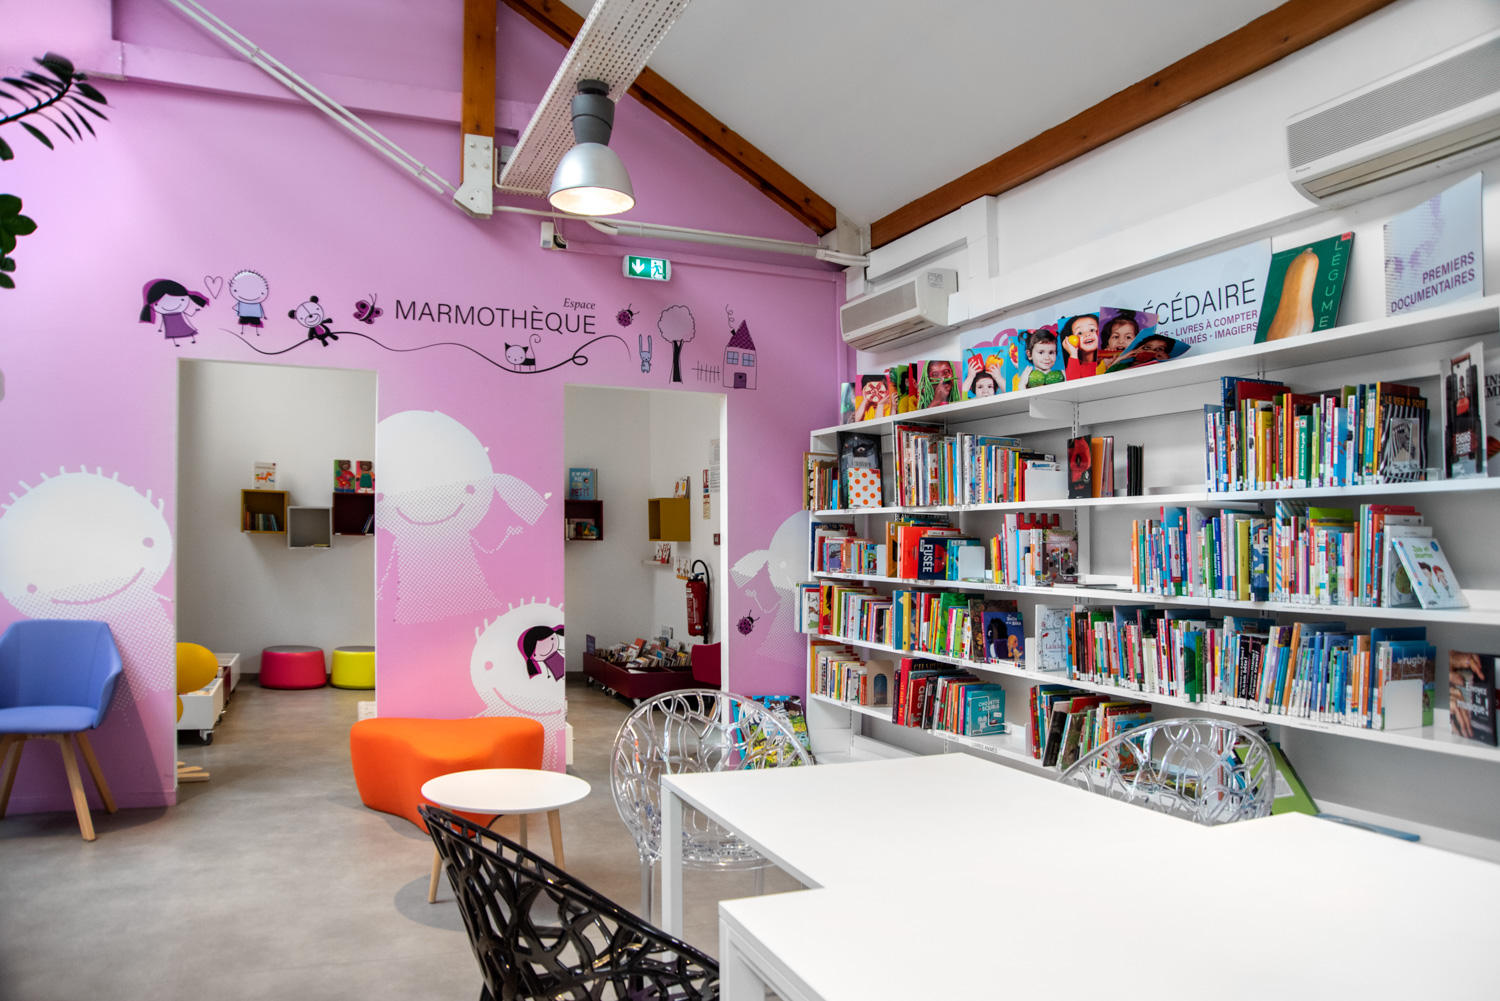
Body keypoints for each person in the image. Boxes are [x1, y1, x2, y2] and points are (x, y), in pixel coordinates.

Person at [139, 279, 208, 346]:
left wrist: (195, 311)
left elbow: (189, 315)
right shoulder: (165, 316)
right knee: (173, 332)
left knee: (185, 330)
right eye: (157, 304)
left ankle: (190, 339)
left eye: (182, 299)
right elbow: (162, 322)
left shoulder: (178, 312)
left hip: (181, 324)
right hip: (170, 326)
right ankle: (177, 342)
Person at [1060, 314, 1101, 380]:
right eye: (1080, 333)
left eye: (1092, 330)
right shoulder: (1073, 366)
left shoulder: (1108, 361)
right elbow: (1072, 383)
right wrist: (1073, 354)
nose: (1087, 334)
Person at [1109, 333, 1176, 370]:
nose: (1151, 351)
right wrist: (1122, 357)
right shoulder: (1119, 365)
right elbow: (1107, 376)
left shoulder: (1155, 368)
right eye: (1147, 347)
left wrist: (1166, 362)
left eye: (1159, 349)